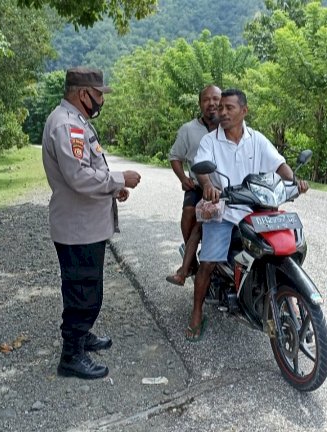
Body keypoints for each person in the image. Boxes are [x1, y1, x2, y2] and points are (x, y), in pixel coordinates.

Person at [41, 67, 141, 379]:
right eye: (98, 94)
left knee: (86, 288)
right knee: (82, 292)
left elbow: (88, 167)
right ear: (83, 94)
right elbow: (78, 176)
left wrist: (113, 188)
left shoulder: (75, 121)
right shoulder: (67, 125)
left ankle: (82, 338)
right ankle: (71, 356)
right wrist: (120, 177)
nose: (101, 100)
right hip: (78, 228)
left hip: (84, 226)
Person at [186, 88, 308, 341]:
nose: (223, 112)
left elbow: (278, 164)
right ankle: (196, 312)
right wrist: (208, 185)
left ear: (244, 111)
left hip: (258, 209)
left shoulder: (257, 139)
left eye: (229, 108)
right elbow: (202, 168)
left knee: (282, 248)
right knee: (208, 262)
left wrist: (295, 180)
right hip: (227, 210)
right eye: (221, 108)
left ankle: (289, 298)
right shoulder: (210, 141)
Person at [165, 85, 222, 286]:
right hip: (199, 187)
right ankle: (190, 264)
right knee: (190, 214)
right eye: (206, 100)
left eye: (216, 99)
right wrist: (183, 179)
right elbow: (175, 157)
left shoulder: (231, 128)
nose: (212, 104)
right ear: (200, 104)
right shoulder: (188, 129)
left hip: (226, 188)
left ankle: (190, 266)